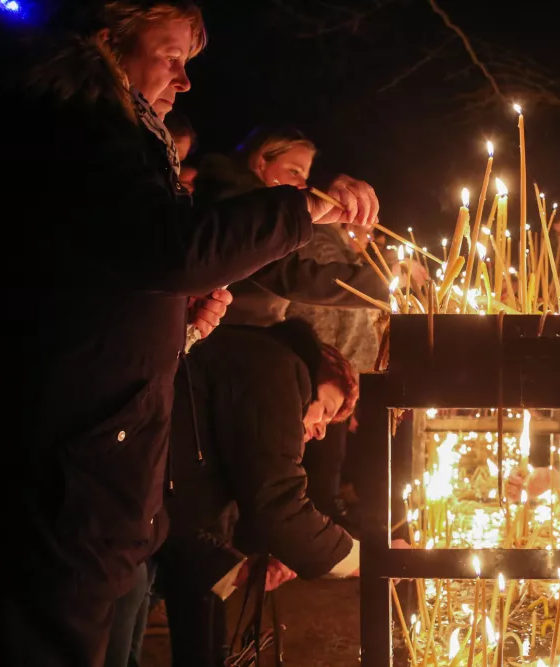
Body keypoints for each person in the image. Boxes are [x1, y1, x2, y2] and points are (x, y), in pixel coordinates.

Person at [0, 3, 378, 665]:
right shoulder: (79, 130)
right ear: (107, 46)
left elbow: (108, 280)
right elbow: (167, 248)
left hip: (89, 466)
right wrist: (302, 208)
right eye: (171, 57)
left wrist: (176, 323)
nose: (184, 82)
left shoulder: (94, 135)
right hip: (62, 472)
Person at [158, 320, 373, 666]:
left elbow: (185, 511)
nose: (320, 433)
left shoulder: (259, 367)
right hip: (113, 525)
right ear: (311, 378)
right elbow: (280, 508)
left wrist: (239, 568)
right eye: (326, 411)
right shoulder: (279, 372)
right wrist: (366, 558)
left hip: (139, 527)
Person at [194, 127, 415, 328]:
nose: (302, 184)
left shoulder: (266, 213)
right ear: (261, 161)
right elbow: (294, 277)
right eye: (294, 171)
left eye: (305, 176)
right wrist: (388, 279)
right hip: (234, 332)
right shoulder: (234, 205)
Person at [286, 223, 388, 528]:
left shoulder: (342, 250)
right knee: (323, 460)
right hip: (328, 375)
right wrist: (332, 376)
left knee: (329, 453)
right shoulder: (321, 243)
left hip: (337, 378)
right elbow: (327, 312)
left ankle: (325, 519)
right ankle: (322, 518)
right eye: (365, 222)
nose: (371, 232)